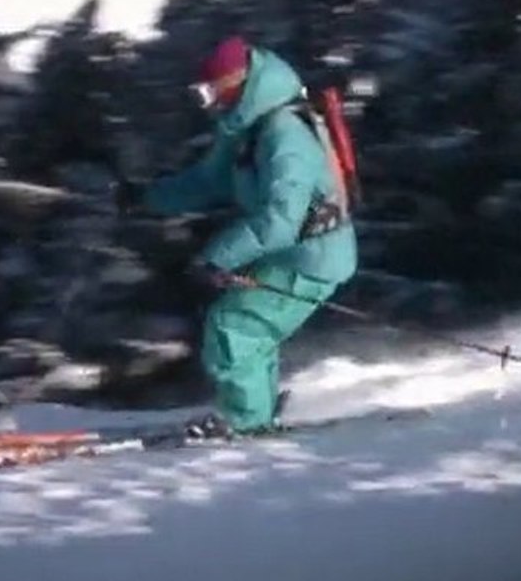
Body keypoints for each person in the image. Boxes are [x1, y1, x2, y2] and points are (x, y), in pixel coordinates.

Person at [117, 36, 359, 438]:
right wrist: (147, 198)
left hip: (311, 257)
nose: (207, 103)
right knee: (248, 324)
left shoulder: (284, 135)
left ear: (237, 84)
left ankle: (245, 421)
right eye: (201, 94)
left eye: (210, 92)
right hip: (289, 253)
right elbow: (208, 182)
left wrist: (218, 257)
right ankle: (254, 410)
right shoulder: (249, 129)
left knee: (235, 325)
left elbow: (282, 218)